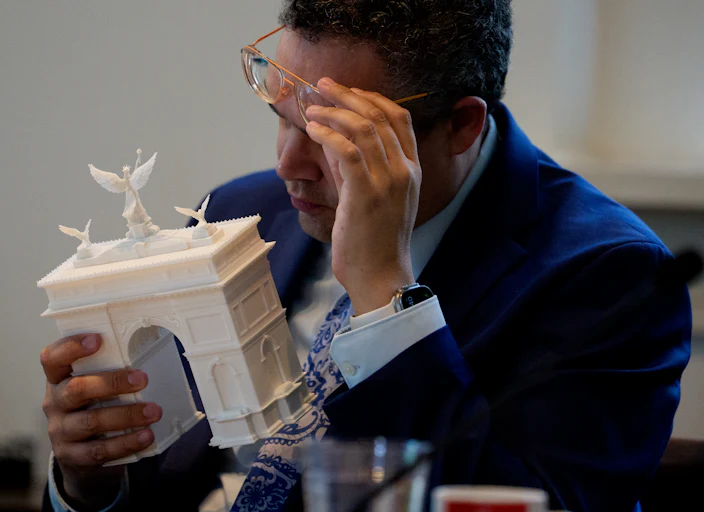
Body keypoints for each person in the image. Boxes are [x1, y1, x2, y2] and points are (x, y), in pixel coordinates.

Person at [40, 1, 692, 511]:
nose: (288, 166)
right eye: (282, 117)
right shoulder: (244, 211)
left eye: (333, 135)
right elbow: (166, 480)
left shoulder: (612, 276)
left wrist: (385, 296)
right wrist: (90, 484)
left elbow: (537, 501)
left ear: (461, 124)